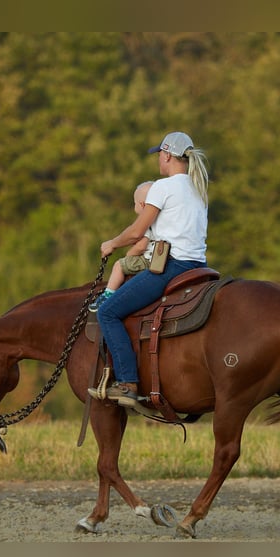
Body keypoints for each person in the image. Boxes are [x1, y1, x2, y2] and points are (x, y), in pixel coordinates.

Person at [88, 131, 209, 408]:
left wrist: (111, 244)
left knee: (108, 311)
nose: (158, 159)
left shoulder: (163, 187)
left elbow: (137, 232)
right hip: (200, 266)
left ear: (167, 155)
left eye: (159, 154)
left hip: (170, 266)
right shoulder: (198, 187)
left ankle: (128, 383)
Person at [89, 181, 155, 313]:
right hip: (157, 259)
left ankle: (108, 295)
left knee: (119, 265)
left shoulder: (146, 222)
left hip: (149, 260)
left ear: (142, 205)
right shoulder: (160, 220)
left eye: (134, 203)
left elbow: (141, 245)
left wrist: (129, 255)